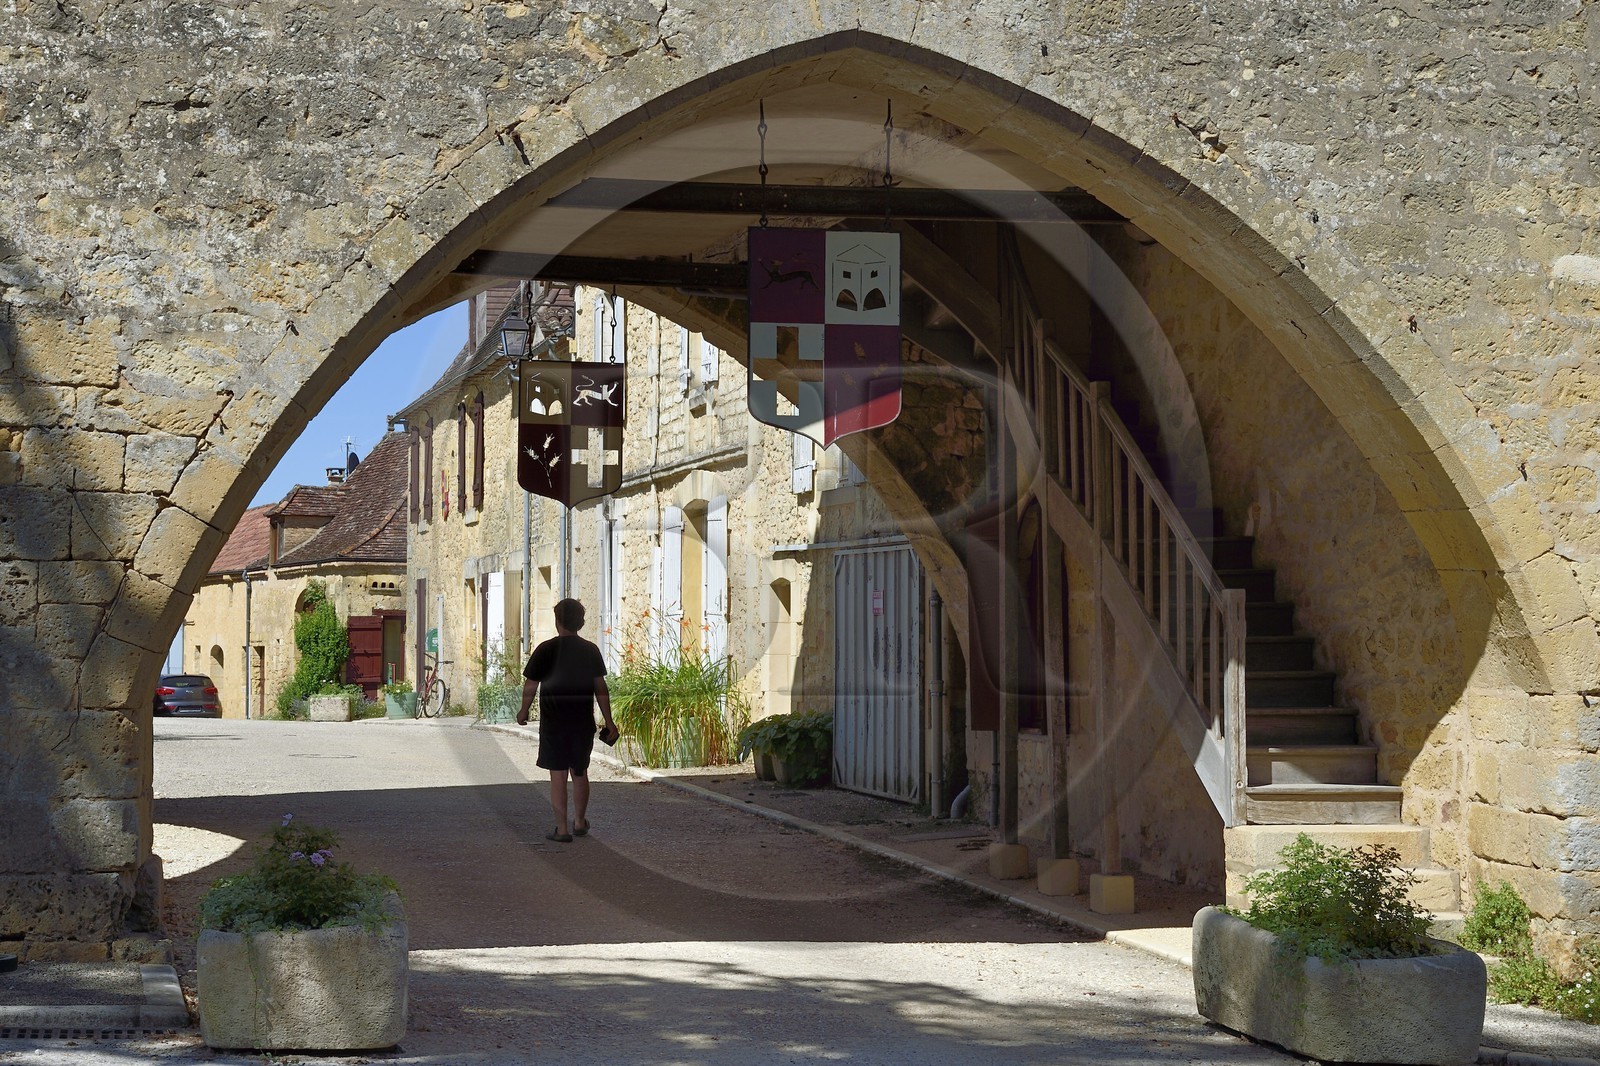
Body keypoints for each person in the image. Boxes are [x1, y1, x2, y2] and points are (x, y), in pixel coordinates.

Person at [516, 598, 616, 843]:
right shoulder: (590, 650)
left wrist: (523, 710)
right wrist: (609, 720)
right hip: (581, 721)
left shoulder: (545, 649)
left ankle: (562, 829)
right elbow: (600, 687)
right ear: (580, 623)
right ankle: (580, 822)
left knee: (558, 773)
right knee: (580, 771)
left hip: (554, 721)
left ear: (557, 621)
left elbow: (531, 684)